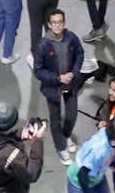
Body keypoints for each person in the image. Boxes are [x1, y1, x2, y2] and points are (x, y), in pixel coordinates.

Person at [33, 9, 86, 165]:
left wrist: (74, 72)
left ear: (64, 23)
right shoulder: (43, 45)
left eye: (60, 22)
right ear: (49, 25)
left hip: (71, 83)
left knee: (71, 115)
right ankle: (61, 148)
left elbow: (80, 53)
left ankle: (66, 135)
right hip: (52, 87)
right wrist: (58, 78)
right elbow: (38, 70)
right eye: (54, 22)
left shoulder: (71, 38)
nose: (57, 25)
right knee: (55, 120)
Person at [0, 102, 47, 193]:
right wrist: (38, 141)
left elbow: (1, 137)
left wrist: (19, 135)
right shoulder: (11, 155)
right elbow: (32, 173)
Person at [67, 118, 115, 193]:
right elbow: (81, 175)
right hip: (80, 181)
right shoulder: (101, 152)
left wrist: (110, 164)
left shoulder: (106, 131)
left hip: (94, 174)